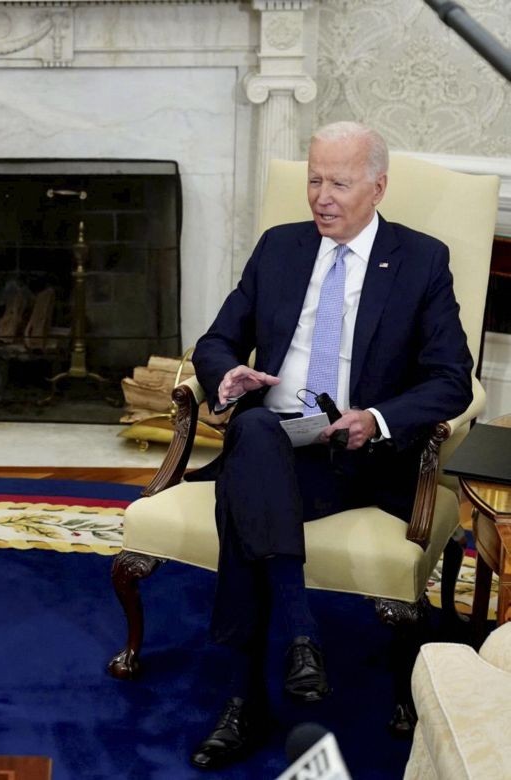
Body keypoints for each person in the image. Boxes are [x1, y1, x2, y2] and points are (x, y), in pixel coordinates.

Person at [186, 122, 473, 769]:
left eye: (338, 183)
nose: (320, 196)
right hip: (279, 440)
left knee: (245, 489)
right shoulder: (280, 248)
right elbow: (215, 341)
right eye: (314, 179)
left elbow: (452, 378)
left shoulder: (420, 261)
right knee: (255, 431)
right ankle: (300, 632)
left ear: (378, 186)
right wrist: (226, 375)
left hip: (358, 458)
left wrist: (376, 416)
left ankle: (244, 702)